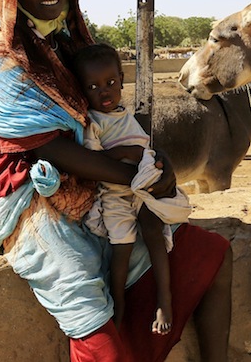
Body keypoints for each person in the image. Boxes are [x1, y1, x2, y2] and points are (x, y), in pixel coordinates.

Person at [0, 0, 232, 362]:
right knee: (87, 307)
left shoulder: (67, 45)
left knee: (210, 254)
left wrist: (153, 161)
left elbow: (110, 125)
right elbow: (47, 148)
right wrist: (140, 178)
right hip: (33, 198)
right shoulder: (0, 57)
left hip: (98, 179)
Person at [74, 43, 192, 335]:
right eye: (93, 86)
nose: (104, 91)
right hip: (114, 194)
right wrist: (128, 152)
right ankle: (119, 303)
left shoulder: (127, 115)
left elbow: (145, 150)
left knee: (153, 229)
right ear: (82, 91)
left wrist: (146, 158)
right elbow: (94, 161)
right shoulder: (93, 124)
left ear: (122, 80)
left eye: (111, 83)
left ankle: (164, 299)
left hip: (141, 189)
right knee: (122, 247)